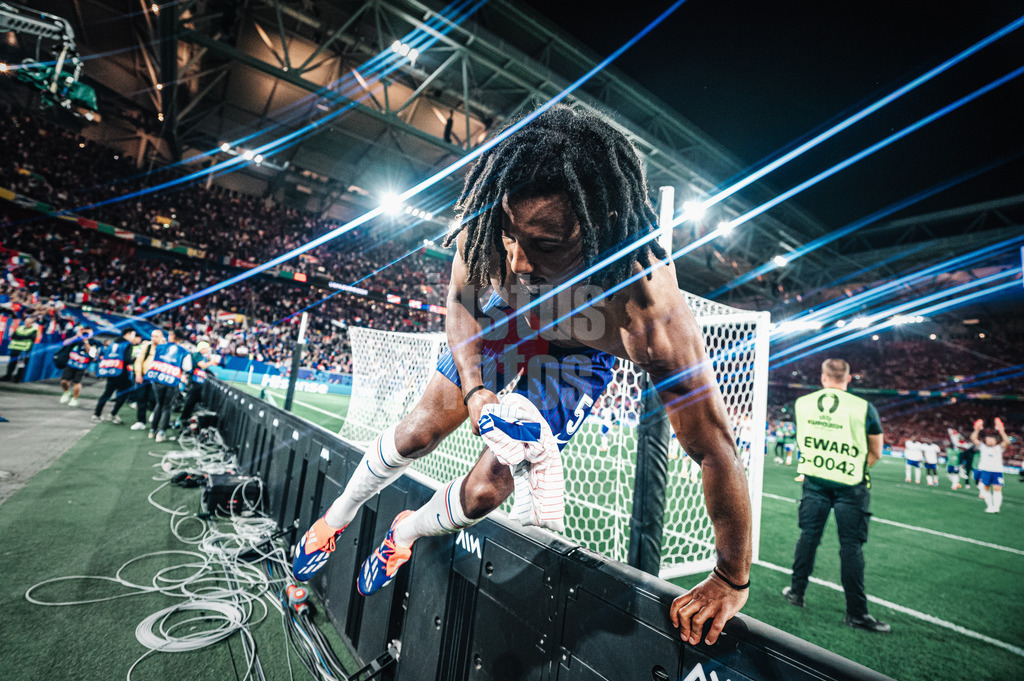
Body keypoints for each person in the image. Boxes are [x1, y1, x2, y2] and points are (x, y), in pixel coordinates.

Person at [293, 105, 752, 647]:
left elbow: (713, 446)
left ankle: (405, 532)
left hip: (576, 352)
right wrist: (476, 390)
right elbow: (461, 304)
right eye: (512, 238)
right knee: (420, 430)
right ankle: (337, 516)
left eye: (547, 246)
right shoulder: (492, 222)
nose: (521, 263)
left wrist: (730, 577)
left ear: (598, 229)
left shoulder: (647, 309)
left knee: (488, 491)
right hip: (501, 317)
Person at [783, 358, 890, 633]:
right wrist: (850, 466)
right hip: (851, 485)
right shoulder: (864, 408)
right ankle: (856, 613)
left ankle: (796, 592)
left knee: (808, 537)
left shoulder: (803, 404)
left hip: (814, 482)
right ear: (848, 378)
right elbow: (876, 451)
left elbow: (802, 438)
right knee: (851, 548)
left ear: (823, 377)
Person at [143, 329, 192, 442]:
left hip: (158, 379)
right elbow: (187, 368)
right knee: (167, 407)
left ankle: (152, 431)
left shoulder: (160, 347)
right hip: (172, 381)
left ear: (173, 336)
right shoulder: (184, 351)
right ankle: (161, 433)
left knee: (159, 404)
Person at [92, 326, 141, 423]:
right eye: (133, 335)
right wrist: (136, 357)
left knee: (107, 393)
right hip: (121, 373)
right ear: (128, 334)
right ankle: (113, 414)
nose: (134, 337)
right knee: (123, 394)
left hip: (111, 371)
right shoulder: (127, 344)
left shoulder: (113, 343)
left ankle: (96, 414)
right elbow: (127, 360)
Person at [971, 418, 1009, 514]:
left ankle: (996, 507)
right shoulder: (982, 447)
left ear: (996, 441)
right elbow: (973, 438)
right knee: (986, 488)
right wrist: (976, 429)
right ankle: (990, 506)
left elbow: (1007, 441)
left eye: (992, 439)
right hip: (986, 470)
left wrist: (1002, 431)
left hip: (997, 470)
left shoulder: (999, 447)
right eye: (988, 439)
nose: (990, 441)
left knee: (997, 489)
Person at [129, 329, 164, 430]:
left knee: (154, 399)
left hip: (157, 379)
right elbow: (138, 361)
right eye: (152, 336)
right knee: (141, 398)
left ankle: (156, 417)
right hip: (144, 377)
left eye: (156, 336)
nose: (154, 338)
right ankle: (141, 421)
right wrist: (138, 374)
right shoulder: (147, 346)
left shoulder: (165, 348)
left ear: (161, 337)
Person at [178, 340, 217, 426]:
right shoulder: (197, 355)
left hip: (198, 381)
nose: (207, 350)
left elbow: (204, 368)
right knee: (190, 400)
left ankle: (187, 417)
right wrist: (212, 362)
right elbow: (202, 365)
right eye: (206, 348)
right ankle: (184, 417)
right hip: (194, 381)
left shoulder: (202, 356)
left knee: (194, 400)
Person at [59, 327, 95, 408]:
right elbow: (65, 343)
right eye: (84, 332)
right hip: (70, 364)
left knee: (77, 383)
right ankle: (66, 392)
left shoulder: (94, 342)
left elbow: (92, 353)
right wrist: (76, 336)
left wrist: (85, 341)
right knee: (64, 381)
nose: (85, 334)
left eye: (87, 333)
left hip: (81, 367)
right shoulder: (76, 340)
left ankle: (75, 398)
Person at [2, 315, 41, 382]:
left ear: (31, 323)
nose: (27, 323)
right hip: (15, 349)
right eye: (26, 322)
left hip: (23, 350)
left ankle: (18, 378)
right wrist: (24, 337)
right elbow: (14, 336)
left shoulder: (34, 330)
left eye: (28, 322)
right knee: (11, 363)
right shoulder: (20, 328)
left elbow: (31, 338)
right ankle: (8, 376)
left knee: (21, 364)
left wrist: (20, 337)